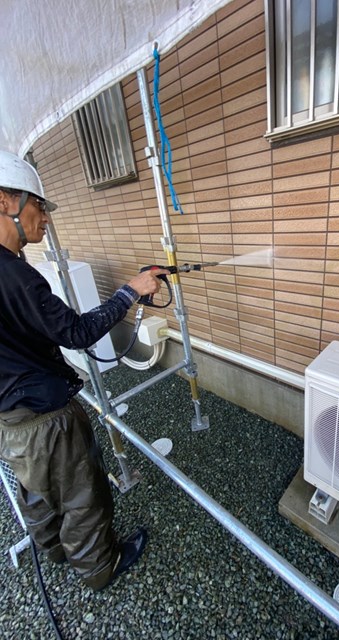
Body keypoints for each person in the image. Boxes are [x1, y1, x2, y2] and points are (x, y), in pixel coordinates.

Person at [0, 149, 169, 590]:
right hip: (45, 417)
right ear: (5, 201)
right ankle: (99, 568)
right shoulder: (16, 275)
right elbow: (76, 332)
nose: (46, 219)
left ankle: (54, 549)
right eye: (40, 206)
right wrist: (130, 291)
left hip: (9, 419)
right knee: (81, 492)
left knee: (37, 488)